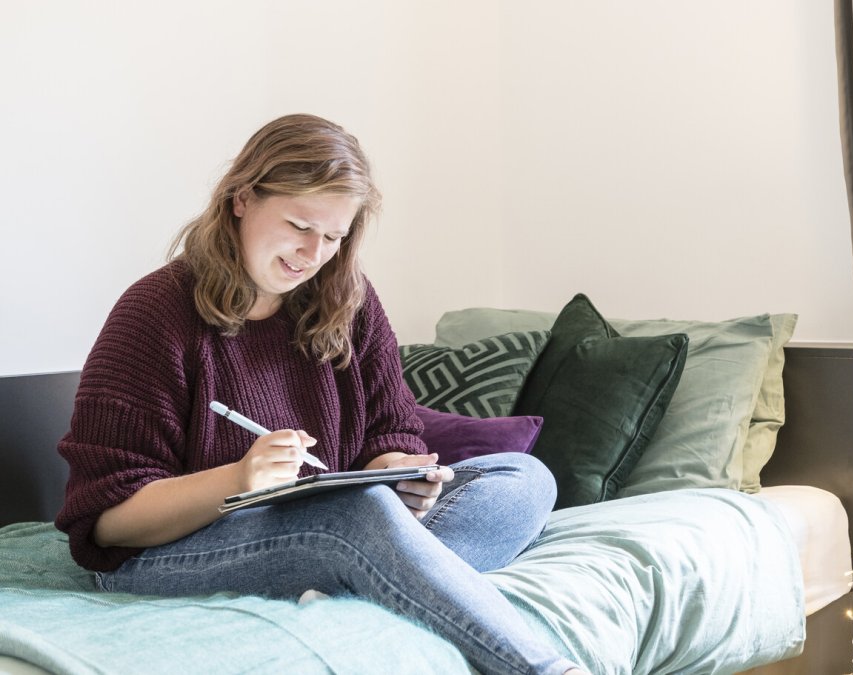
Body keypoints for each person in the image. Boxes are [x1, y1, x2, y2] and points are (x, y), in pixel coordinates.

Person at [55, 113, 585, 675]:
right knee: (357, 516)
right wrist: (239, 480)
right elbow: (108, 524)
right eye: (299, 225)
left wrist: (396, 472)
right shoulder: (154, 313)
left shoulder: (346, 300)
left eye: (334, 237)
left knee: (523, 479)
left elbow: (390, 429)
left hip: (333, 528)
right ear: (241, 199)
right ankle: (543, 668)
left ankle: (354, 599)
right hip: (163, 554)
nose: (313, 254)